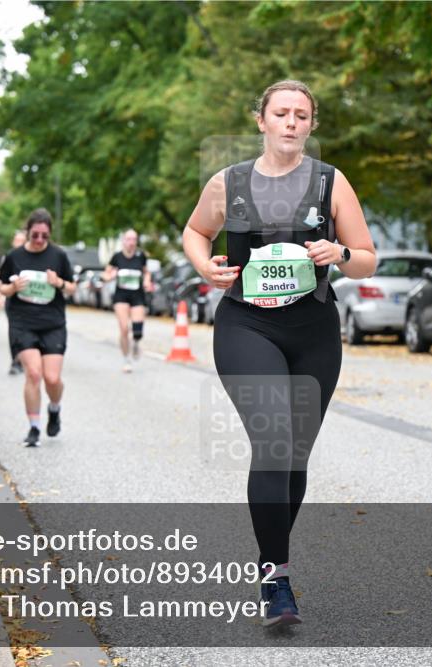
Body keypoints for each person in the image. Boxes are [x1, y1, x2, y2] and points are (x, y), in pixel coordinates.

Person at [182, 80, 376, 627]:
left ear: (311, 125)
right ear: (261, 120)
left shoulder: (331, 183)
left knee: (294, 456)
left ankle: (272, 560)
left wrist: (339, 252)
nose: (291, 122)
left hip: (313, 329)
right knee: (272, 442)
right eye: (281, 113)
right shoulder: (229, 183)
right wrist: (204, 265)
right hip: (247, 325)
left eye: (302, 115)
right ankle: (277, 580)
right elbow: (195, 232)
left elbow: (366, 259)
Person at [0, 209, 76, 447]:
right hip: (23, 322)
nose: (40, 240)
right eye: (35, 235)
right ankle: (33, 427)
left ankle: (54, 408)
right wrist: (13, 288)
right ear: (28, 231)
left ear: (50, 234)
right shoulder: (15, 257)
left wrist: (59, 283)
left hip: (52, 323)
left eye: (45, 235)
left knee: (52, 378)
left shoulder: (58, 256)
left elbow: (72, 287)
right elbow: (1, 287)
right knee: (33, 373)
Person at [103, 229, 153, 372]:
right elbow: (105, 274)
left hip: (138, 295)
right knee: (124, 328)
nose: (131, 242)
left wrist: (147, 281)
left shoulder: (141, 256)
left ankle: (136, 343)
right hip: (121, 296)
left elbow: (146, 272)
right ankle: (126, 360)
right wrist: (111, 276)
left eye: (134, 239)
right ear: (123, 241)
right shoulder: (117, 257)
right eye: (129, 239)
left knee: (137, 331)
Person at [3, 230, 27, 375]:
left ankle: (26, 358)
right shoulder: (9, 258)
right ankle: (15, 360)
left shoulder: (34, 258)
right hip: (13, 301)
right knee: (14, 330)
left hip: (30, 303)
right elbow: (2, 282)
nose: (19, 244)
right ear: (13, 242)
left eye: (22, 240)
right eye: (17, 240)